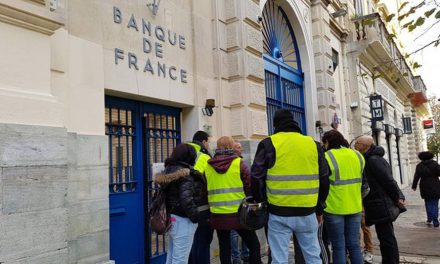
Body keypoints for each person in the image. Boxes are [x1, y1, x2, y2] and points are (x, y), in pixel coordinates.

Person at [251, 109, 330, 264]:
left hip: (278, 212)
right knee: (313, 256)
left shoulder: (269, 143)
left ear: (275, 125)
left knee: (279, 258)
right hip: (308, 211)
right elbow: (325, 178)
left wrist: (263, 202)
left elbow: (256, 176)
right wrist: (319, 208)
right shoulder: (313, 144)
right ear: (294, 122)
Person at [206, 136, 262, 264]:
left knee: (224, 247)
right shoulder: (238, 163)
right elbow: (250, 185)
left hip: (217, 214)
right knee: (254, 244)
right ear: (231, 146)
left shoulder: (208, 166)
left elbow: (205, 190)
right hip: (239, 214)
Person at [354, 135, 405, 264]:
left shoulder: (372, 160)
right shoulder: (373, 158)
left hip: (380, 203)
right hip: (379, 203)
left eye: (358, 143)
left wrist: (397, 197)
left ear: (366, 146)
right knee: (385, 236)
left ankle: (391, 261)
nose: (355, 145)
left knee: (387, 237)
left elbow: (388, 181)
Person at [153, 144, 205, 264]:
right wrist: (196, 217)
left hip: (172, 219)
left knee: (172, 257)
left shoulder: (168, 171)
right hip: (183, 220)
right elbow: (186, 200)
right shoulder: (186, 174)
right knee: (180, 259)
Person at [322, 130, 364, 264]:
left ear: (327, 142)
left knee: (338, 246)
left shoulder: (327, 156)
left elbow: (323, 183)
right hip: (355, 206)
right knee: (354, 245)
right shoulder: (358, 155)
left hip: (334, 208)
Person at [188, 131, 214, 264]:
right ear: (204, 142)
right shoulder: (204, 157)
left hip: (184, 207)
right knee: (203, 242)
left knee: (192, 242)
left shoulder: (182, 151)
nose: (209, 145)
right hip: (202, 207)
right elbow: (209, 181)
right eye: (208, 142)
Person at [231, 142, 250, 264]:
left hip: (243, 203)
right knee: (234, 233)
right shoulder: (237, 163)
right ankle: (236, 257)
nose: (241, 149)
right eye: (238, 147)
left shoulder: (242, 162)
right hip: (235, 203)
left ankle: (245, 254)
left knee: (245, 230)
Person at [412, 151, 440, 227]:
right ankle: (435, 220)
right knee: (434, 203)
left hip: (424, 185)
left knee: (428, 203)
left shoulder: (419, 166)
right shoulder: (435, 164)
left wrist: (414, 186)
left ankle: (429, 218)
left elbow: (416, 177)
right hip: (435, 184)